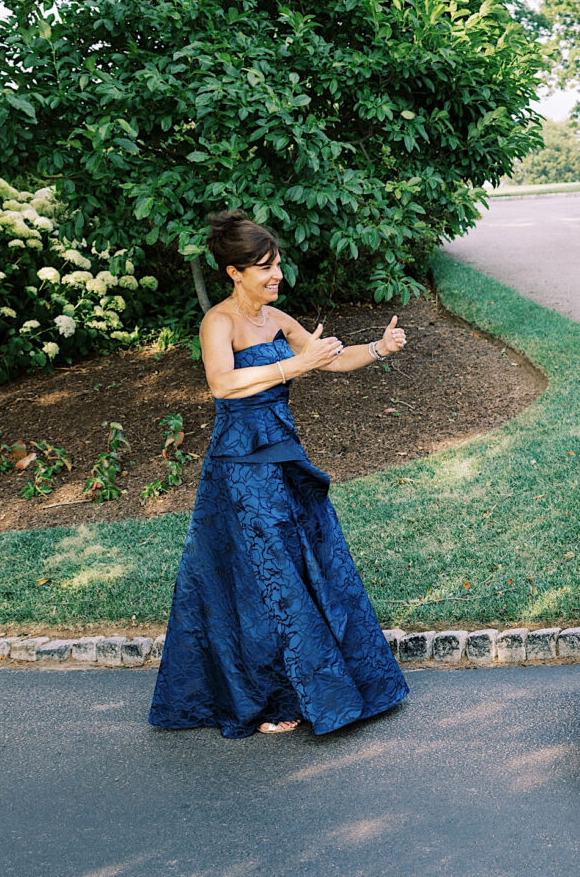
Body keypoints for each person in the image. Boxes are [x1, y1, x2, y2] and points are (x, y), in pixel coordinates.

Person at [149, 211, 410, 738]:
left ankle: (314, 685)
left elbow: (330, 361)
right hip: (241, 468)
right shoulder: (218, 322)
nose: (276, 277)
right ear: (233, 272)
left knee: (303, 568)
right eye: (265, 268)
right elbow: (223, 385)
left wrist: (380, 348)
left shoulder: (276, 318)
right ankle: (268, 696)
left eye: (277, 265)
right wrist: (297, 364)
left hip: (284, 460)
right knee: (262, 579)